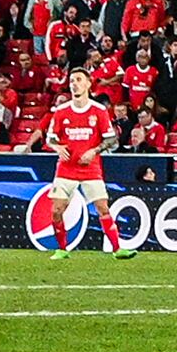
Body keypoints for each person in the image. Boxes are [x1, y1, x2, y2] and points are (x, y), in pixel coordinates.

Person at [35, 68, 115, 255]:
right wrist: (57, 148)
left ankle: (117, 249)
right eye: (71, 81)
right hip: (66, 169)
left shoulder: (99, 110)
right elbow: (50, 138)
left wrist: (93, 151)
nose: (74, 84)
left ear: (88, 83)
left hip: (90, 168)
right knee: (56, 210)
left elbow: (111, 139)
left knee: (102, 207)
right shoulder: (61, 111)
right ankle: (62, 249)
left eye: (79, 79)